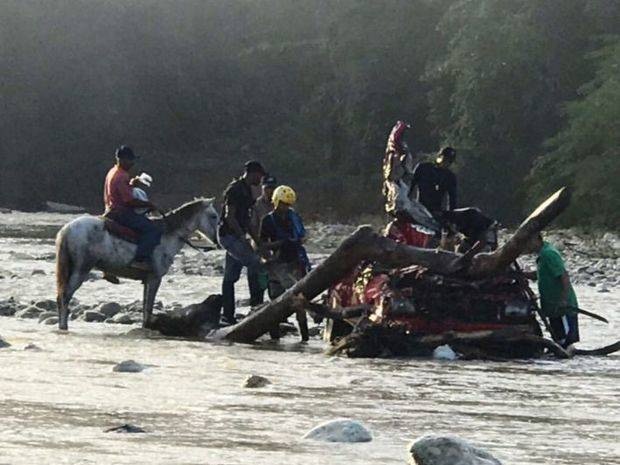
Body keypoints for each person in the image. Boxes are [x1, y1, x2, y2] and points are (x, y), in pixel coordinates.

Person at [218, 161, 266, 325]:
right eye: (259, 176)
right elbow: (229, 217)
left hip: (237, 236)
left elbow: (247, 222)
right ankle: (257, 307)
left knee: (230, 277)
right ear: (252, 173)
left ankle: (227, 315)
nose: (260, 180)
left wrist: (259, 243)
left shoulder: (247, 191)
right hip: (228, 236)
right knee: (256, 265)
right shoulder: (235, 190)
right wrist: (243, 238)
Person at [259, 185, 310, 341]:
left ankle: (305, 338)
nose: (285, 208)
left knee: (299, 302)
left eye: (288, 205)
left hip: (295, 263)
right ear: (276, 202)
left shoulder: (294, 217)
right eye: (283, 204)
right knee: (275, 304)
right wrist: (279, 244)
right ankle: (275, 339)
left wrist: (295, 241)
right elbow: (261, 244)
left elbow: (303, 236)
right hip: (276, 265)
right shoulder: (268, 220)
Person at [103, 146, 161, 271]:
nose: (132, 163)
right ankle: (140, 260)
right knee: (152, 230)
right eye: (130, 160)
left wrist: (132, 184)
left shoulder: (113, 171)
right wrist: (149, 205)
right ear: (123, 160)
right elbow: (129, 201)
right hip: (121, 213)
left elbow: (120, 191)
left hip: (110, 210)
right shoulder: (122, 176)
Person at [525, 233, 580, 349]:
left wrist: (564, 299)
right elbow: (541, 275)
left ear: (536, 239)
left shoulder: (548, 254)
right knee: (558, 337)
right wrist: (523, 275)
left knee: (566, 340)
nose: (526, 246)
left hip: (561, 306)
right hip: (552, 306)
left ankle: (566, 354)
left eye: (528, 242)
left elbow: (563, 276)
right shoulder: (543, 254)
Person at [410, 146, 457, 216]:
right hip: (419, 209)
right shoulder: (423, 168)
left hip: (436, 213)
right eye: (445, 159)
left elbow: (452, 201)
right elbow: (410, 187)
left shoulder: (450, 177)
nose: (446, 163)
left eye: (449, 161)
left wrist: (450, 217)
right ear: (440, 157)